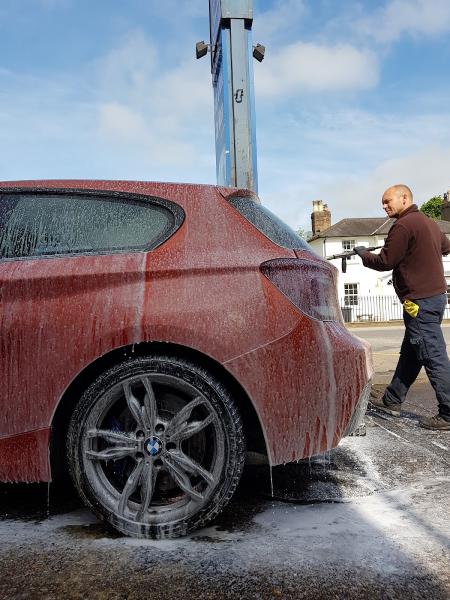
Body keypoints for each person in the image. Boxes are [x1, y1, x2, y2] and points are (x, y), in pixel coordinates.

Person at [354, 184, 450, 431]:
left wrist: (363, 253)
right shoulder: (429, 223)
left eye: (388, 202)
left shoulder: (403, 226)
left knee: (432, 353)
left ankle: (448, 412)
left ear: (404, 198)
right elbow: (445, 247)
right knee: (412, 351)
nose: (384, 206)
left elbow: (385, 262)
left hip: (419, 301)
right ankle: (392, 400)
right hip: (436, 298)